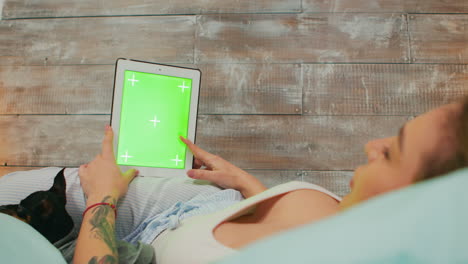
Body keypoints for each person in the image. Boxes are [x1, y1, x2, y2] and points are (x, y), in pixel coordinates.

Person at [71, 96, 468, 264]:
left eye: (392, 152)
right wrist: (249, 189)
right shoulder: (351, 223)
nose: (371, 145)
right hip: (203, 208)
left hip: (112, 235)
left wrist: (101, 197)